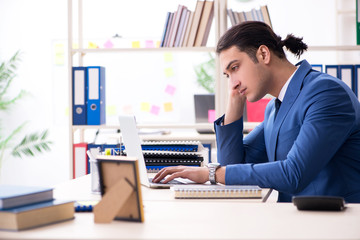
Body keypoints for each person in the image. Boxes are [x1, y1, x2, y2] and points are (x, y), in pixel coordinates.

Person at [153, 21, 360, 203]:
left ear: (263, 54)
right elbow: (232, 167)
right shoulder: (274, 108)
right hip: (296, 222)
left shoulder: (326, 93)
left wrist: (210, 173)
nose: (233, 83)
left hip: (335, 224)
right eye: (227, 75)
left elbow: (293, 174)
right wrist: (234, 106)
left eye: (235, 68)